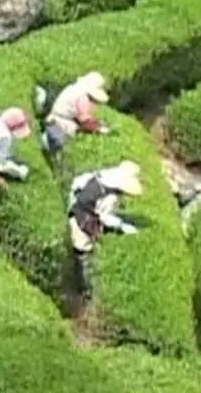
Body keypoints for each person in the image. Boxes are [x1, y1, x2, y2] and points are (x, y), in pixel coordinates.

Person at [67, 160, 143, 294]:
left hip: (75, 210)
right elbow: (105, 217)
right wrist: (121, 225)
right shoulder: (111, 196)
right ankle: (82, 287)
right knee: (83, 251)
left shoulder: (100, 176)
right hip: (83, 221)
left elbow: (77, 182)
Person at [40, 71, 111, 158]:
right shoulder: (83, 98)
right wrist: (99, 128)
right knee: (57, 153)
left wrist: (96, 122)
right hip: (59, 128)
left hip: (52, 122)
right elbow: (85, 121)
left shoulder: (73, 88)